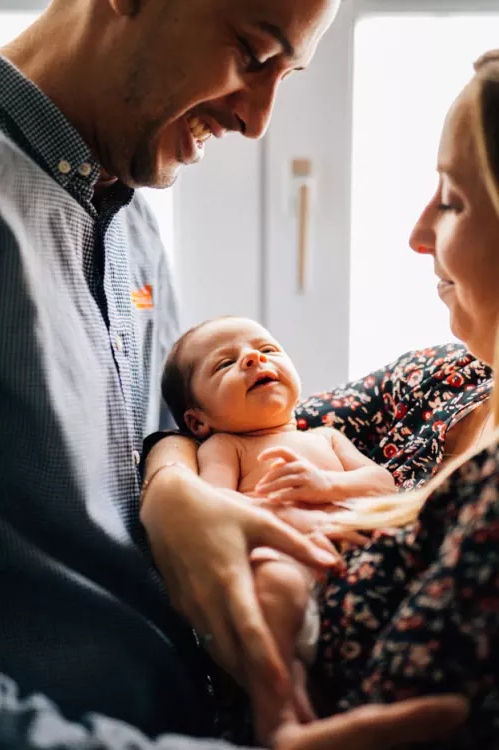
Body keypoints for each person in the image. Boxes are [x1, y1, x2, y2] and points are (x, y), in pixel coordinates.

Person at [0, 0, 464, 747]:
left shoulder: (134, 231)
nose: (258, 122)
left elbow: (162, 424)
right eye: (252, 53)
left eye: (288, 74)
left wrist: (171, 486)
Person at [144, 50, 499, 748]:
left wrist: (333, 486)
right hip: (269, 576)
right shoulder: (441, 378)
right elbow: (198, 455)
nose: (416, 233)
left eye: (452, 200)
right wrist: (168, 489)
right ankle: (277, 693)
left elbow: (377, 480)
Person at [161, 314, 396, 742]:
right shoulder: (226, 446)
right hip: (282, 568)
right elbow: (215, 507)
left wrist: (328, 485)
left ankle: (305, 707)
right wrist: (284, 513)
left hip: (346, 570)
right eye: (225, 364)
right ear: (198, 421)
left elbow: (383, 482)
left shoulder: (326, 438)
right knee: (273, 581)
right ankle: (281, 715)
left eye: (267, 350)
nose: (252, 358)